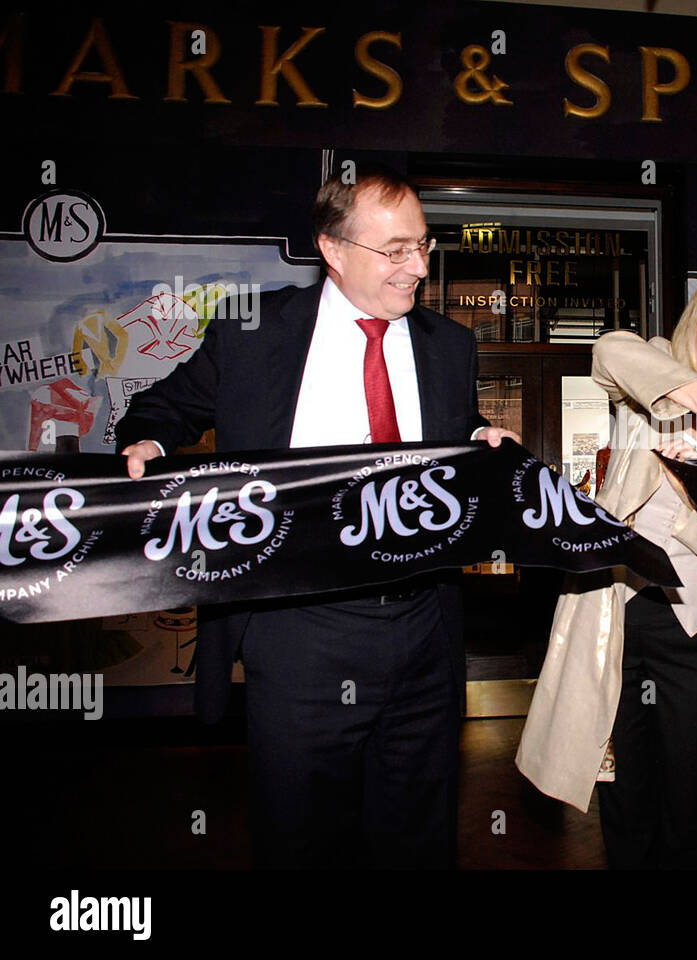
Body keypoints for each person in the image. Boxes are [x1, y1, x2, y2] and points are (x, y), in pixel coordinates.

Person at [116, 167, 518, 868]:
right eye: (395, 250)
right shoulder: (255, 333)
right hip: (298, 632)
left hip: (425, 631)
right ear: (333, 249)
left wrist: (481, 434)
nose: (418, 267)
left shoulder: (448, 345)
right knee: (301, 837)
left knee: (419, 838)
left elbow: (452, 427)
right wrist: (147, 440)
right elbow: (164, 407)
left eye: (422, 245)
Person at [515, 271, 697, 868]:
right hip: (616, 624)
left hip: (694, 634)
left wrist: (693, 503)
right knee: (623, 798)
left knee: (693, 807)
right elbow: (608, 350)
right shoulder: (656, 391)